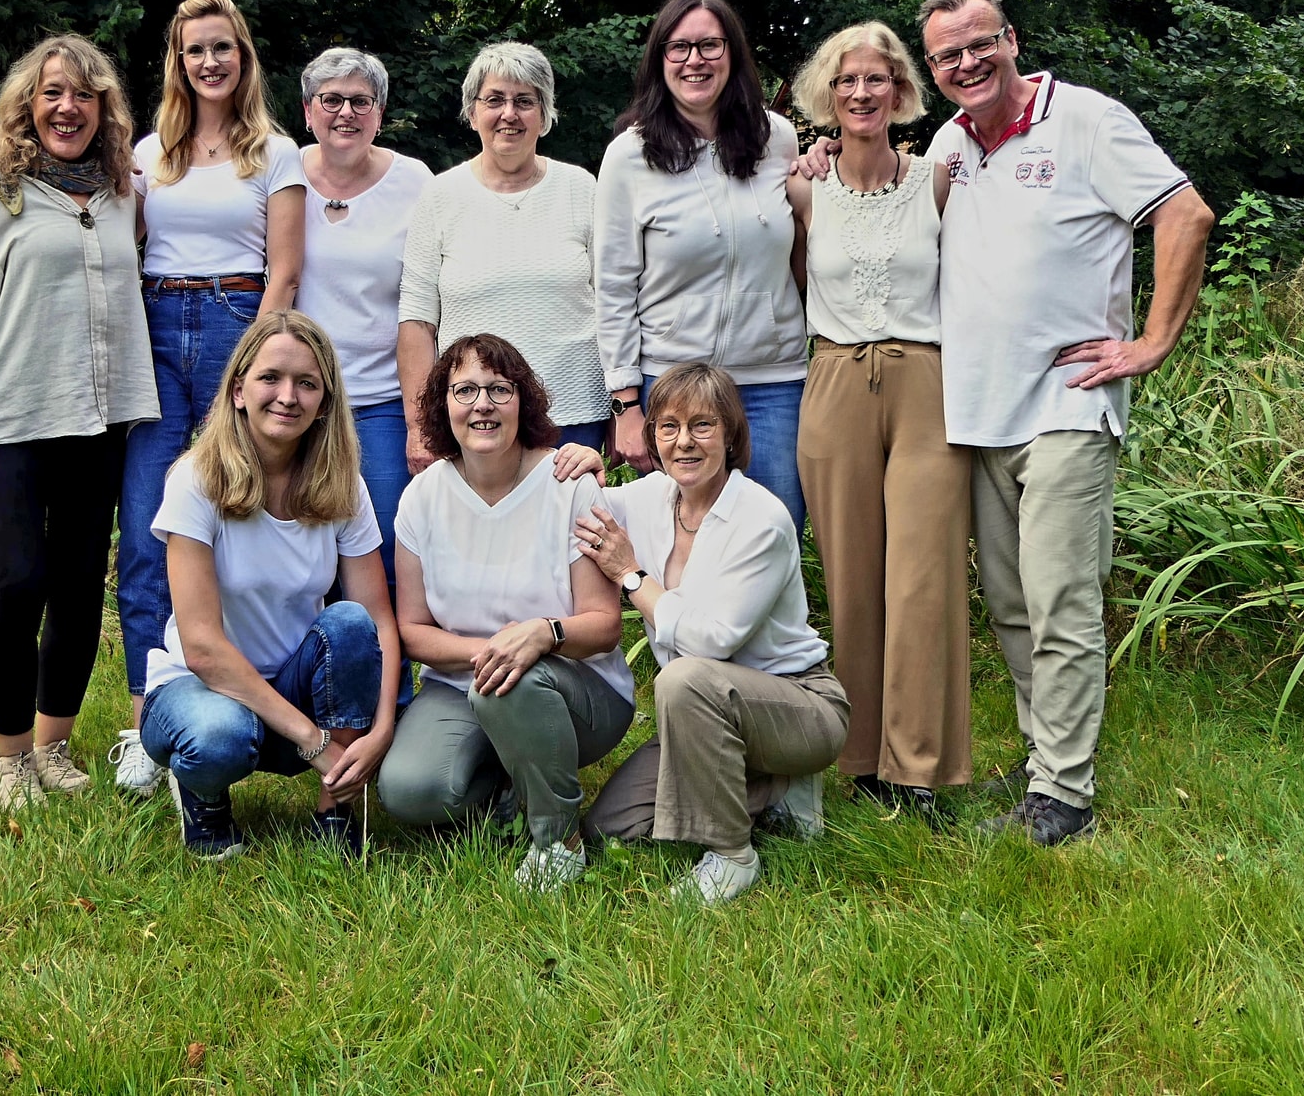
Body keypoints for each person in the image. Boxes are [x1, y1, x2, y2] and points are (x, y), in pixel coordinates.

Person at [802, 0, 1215, 843]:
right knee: (1014, 607)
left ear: (1011, 39)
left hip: (1066, 405)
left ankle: (1064, 796)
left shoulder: (1088, 120)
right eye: (948, 54)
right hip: (978, 412)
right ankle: (1042, 772)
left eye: (978, 44)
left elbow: (1185, 213)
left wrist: (1149, 344)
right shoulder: (952, 146)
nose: (965, 63)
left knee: (1061, 600)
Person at [0, 34, 158, 813]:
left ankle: (56, 746)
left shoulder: (125, 189)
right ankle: (12, 756)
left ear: (105, 108)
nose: (69, 108)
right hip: (13, 420)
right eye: (54, 93)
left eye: (85, 95)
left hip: (98, 425)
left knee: (77, 593)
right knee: (17, 584)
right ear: (28, 103)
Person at [112, 0, 306, 800]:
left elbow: (288, 271)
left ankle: (263, 705)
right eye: (196, 50)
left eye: (223, 47)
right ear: (179, 61)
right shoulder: (149, 153)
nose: (211, 61)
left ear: (244, 57)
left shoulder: (276, 153)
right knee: (147, 529)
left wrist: (247, 370)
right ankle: (144, 722)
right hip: (157, 332)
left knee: (241, 518)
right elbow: (123, 257)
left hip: (240, 324)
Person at [137, 311, 407, 859]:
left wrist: (380, 729)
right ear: (239, 390)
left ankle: (336, 811)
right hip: (200, 689)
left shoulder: (342, 485)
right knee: (220, 736)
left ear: (325, 402)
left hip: (293, 685)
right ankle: (204, 799)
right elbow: (204, 648)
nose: (288, 396)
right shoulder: (196, 479)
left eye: (307, 383)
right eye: (271, 378)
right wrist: (314, 742)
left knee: (349, 623)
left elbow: (378, 620)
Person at [787, 23, 971, 823]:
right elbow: (793, 282)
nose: (862, 93)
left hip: (925, 380)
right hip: (831, 378)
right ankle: (860, 759)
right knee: (853, 576)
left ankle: (917, 768)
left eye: (879, 79)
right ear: (826, 95)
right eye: (847, 81)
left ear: (903, 92)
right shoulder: (802, 188)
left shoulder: (940, 180)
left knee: (923, 577)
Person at [578, 364, 850, 904]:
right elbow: (584, 508)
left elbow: (708, 643)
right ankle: (769, 787)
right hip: (706, 714)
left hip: (799, 704)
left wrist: (631, 576)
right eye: (669, 426)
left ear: (730, 435)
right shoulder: (654, 496)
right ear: (653, 436)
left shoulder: (762, 519)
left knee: (683, 679)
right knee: (610, 825)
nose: (684, 442)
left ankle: (731, 855)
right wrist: (584, 466)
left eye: (703, 425)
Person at [377, 334, 634, 891]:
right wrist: (492, 651)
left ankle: (557, 840)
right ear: (443, 406)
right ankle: (513, 788)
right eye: (464, 390)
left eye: (499, 389)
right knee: (409, 791)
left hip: (576, 687)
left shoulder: (569, 484)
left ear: (525, 401)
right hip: (461, 683)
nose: (483, 404)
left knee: (513, 684)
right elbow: (412, 630)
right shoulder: (422, 497)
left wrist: (540, 635)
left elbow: (605, 625)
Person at [594, 0, 809, 534]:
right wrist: (625, 406)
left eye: (710, 45)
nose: (695, 60)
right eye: (679, 47)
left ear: (733, 53)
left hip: (772, 382)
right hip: (672, 380)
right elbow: (614, 286)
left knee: (775, 533)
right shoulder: (629, 155)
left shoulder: (776, 137)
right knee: (681, 542)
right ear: (659, 58)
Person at [397, 43, 608, 469]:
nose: (509, 114)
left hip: (574, 418)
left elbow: (616, 303)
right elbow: (417, 321)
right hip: (473, 419)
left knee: (570, 535)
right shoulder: (440, 196)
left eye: (525, 101)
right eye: (494, 100)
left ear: (545, 115)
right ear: (472, 113)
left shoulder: (582, 189)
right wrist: (420, 426)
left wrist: (623, 408)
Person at [294, 48, 433, 588]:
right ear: (308, 111)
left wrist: (421, 421)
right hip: (301, 400)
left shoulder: (415, 182)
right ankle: (316, 673)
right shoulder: (281, 172)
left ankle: (389, 675)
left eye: (360, 101)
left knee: (388, 558)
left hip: (382, 403)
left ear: (379, 114)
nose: (345, 113)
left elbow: (425, 303)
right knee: (306, 555)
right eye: (331, 100)